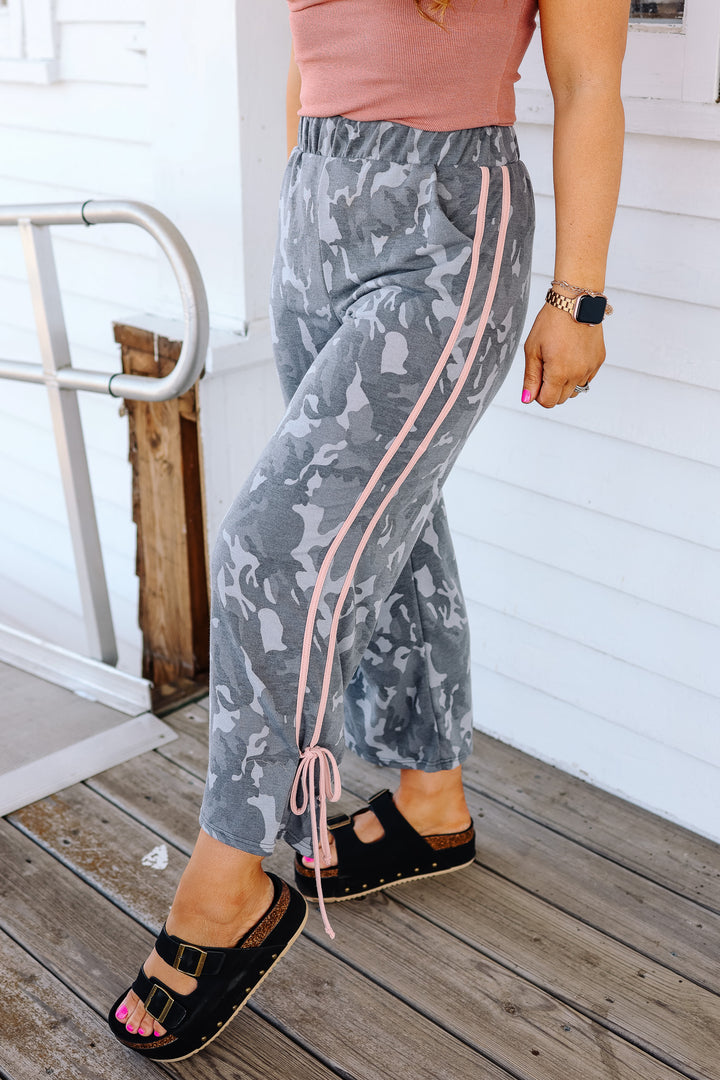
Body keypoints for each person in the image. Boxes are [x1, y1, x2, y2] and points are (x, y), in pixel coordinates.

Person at [108, 0, 628, 1061]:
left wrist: (579, 298)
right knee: (391, 516)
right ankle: (431, 795)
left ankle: (230, 874)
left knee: (272, 548)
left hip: (444, 229)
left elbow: (587, 85)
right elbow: (314, 55)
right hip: (317, 214)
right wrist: (304, 195)